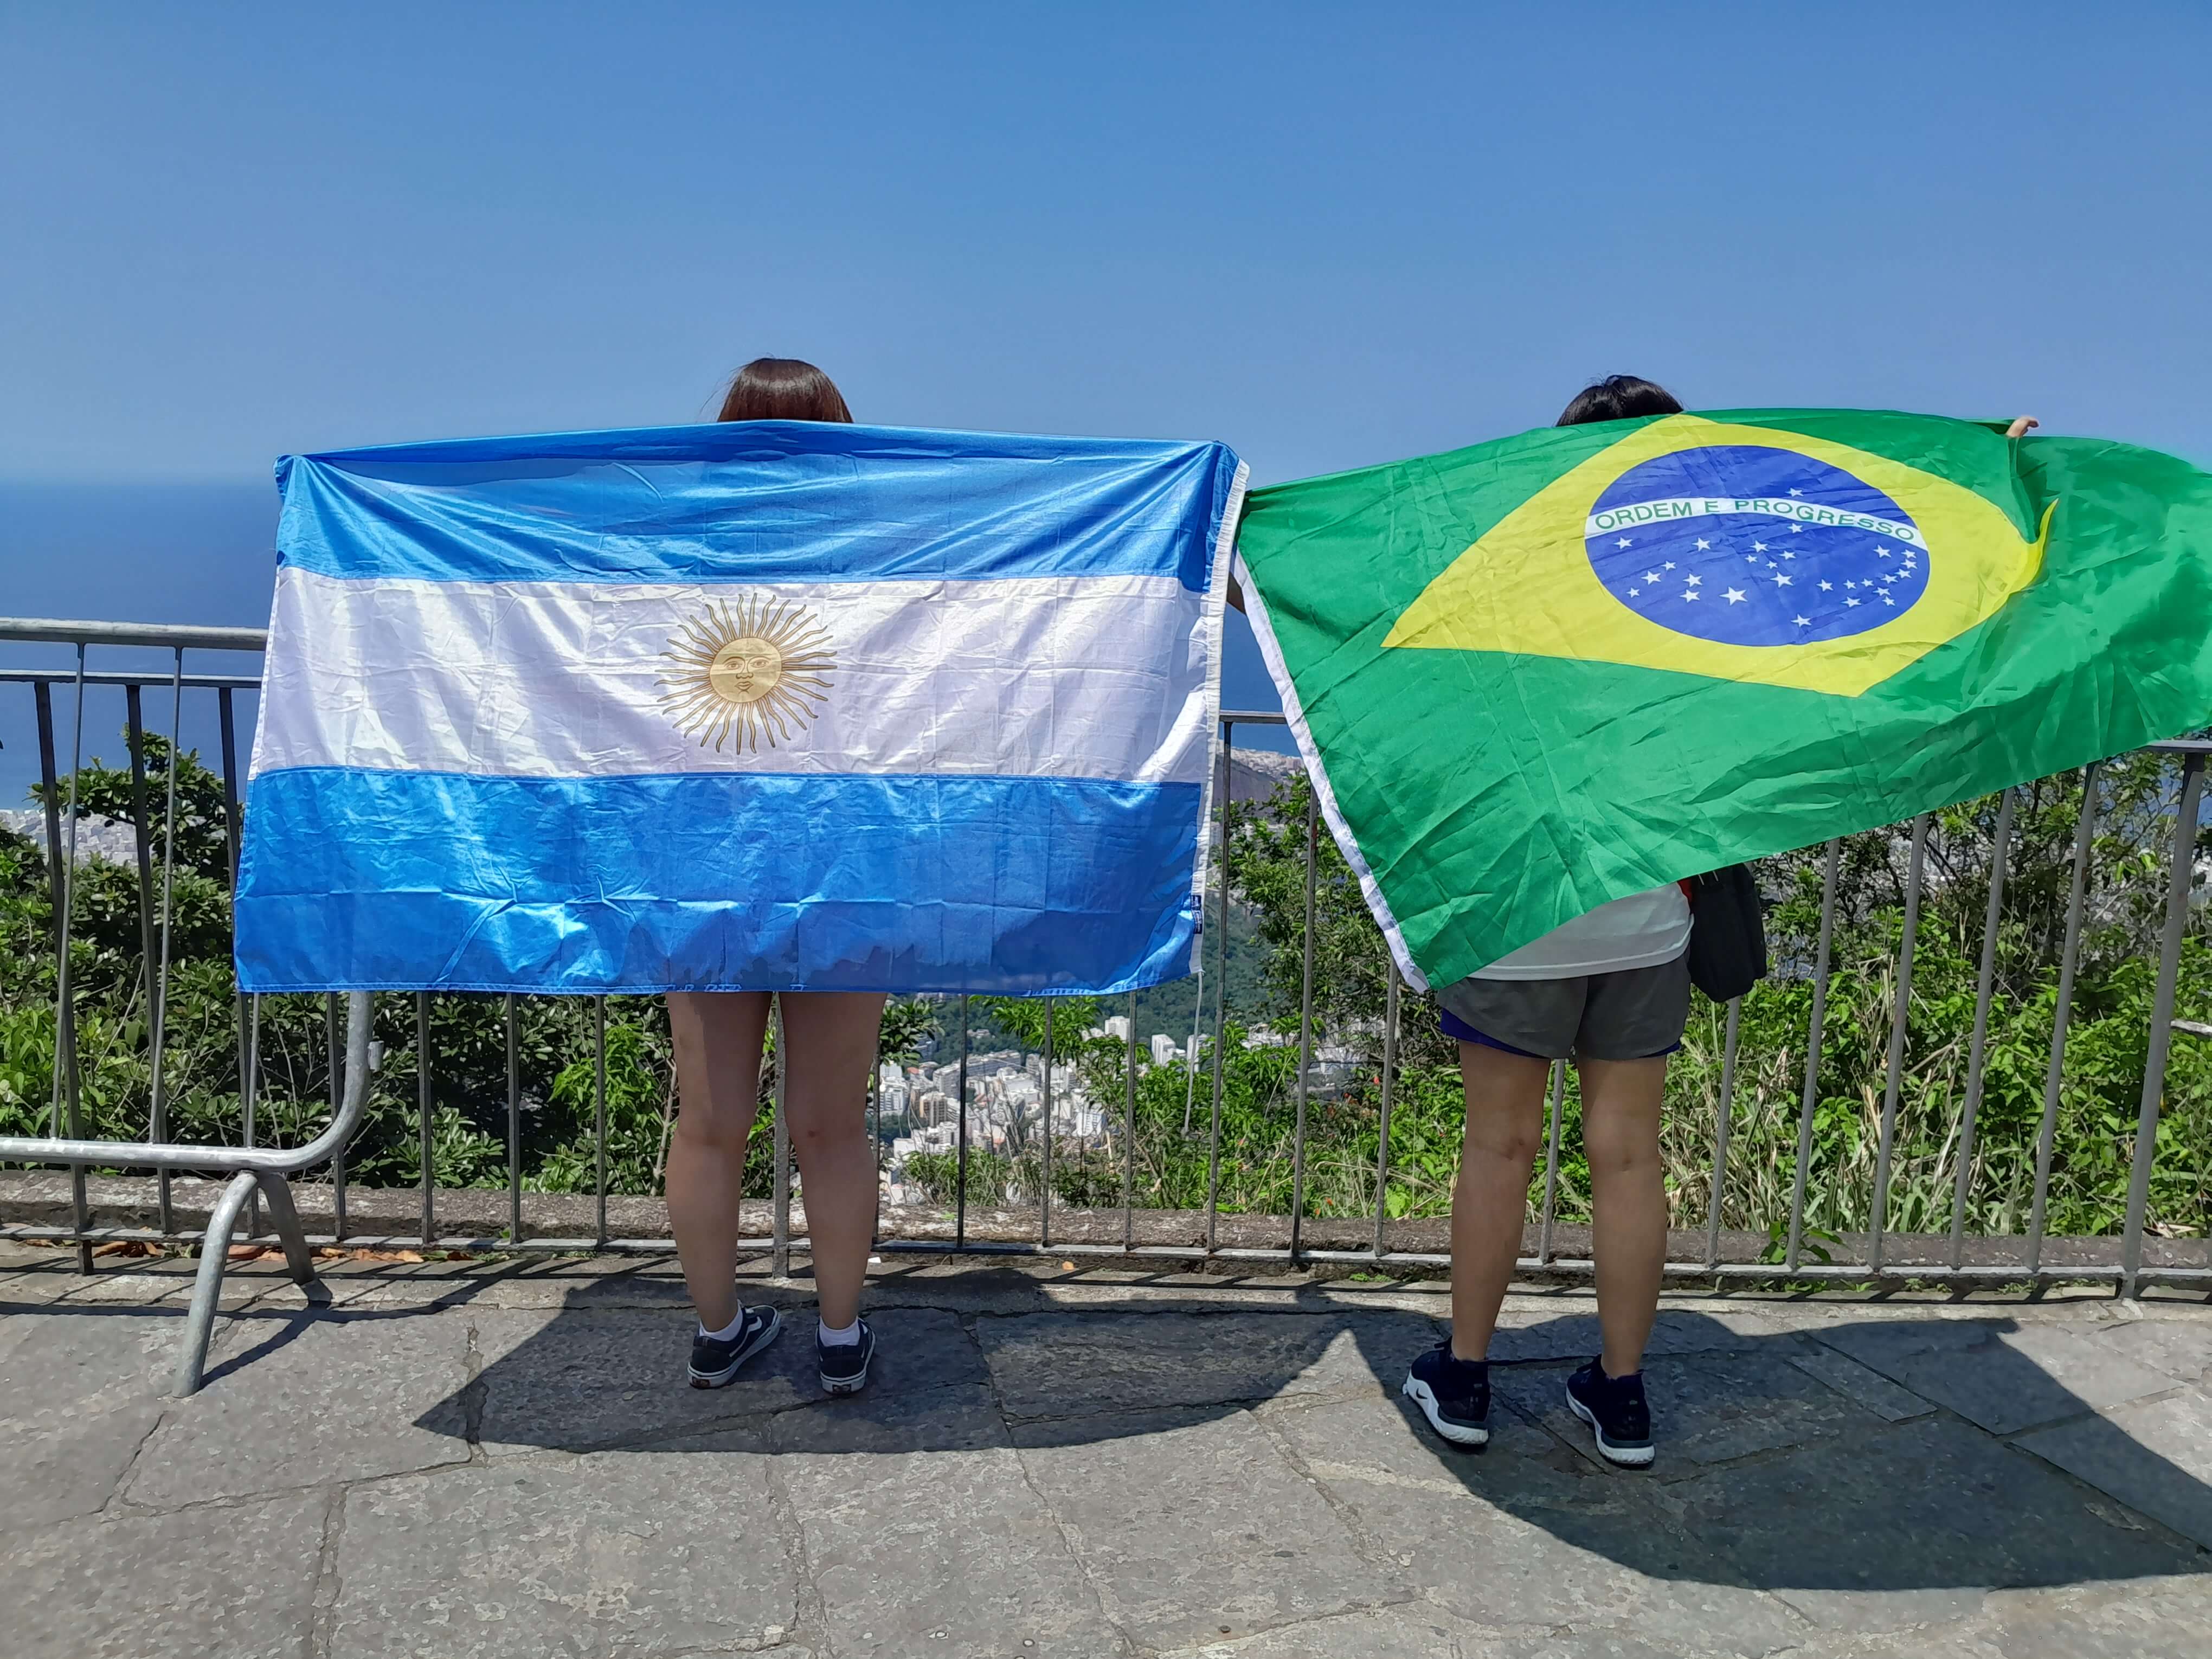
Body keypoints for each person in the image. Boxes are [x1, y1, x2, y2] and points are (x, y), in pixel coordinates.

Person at [1400, 378, 2040, 1464]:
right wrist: (1986, 474)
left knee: (1498, 1148)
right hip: (1650, 918)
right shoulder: (1711, 588)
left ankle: (1462, 1377)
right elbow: (1860, 575)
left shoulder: (1512, 574)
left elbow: (1362, 614)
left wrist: (1244, 548)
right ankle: (1624, 1395)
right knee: (1630, 1161)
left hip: (1523, 914)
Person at [667, 356, 885, 1395]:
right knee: (831, 1126)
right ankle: (840, 1340)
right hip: (841, 870)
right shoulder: (880, 562)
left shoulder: (679, 556)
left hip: (705, 870)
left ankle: (719, 1332)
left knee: (709, 1124)